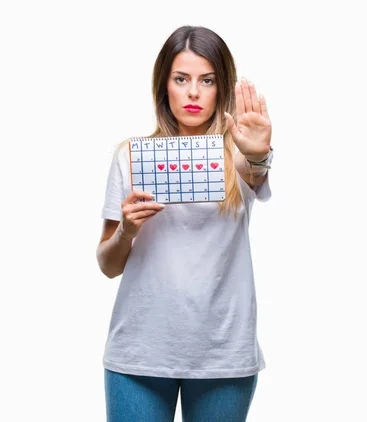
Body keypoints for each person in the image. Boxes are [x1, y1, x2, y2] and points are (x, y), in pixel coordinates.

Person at [96, 25, 273, 421]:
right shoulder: (130, 156)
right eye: (182, 79)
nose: (193, 92)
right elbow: (107, 265)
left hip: (222, 355)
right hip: (139, 354)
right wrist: (127, 229)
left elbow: (256, 171)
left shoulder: (240, 157)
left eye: (206, 80)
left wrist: (259, 154)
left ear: (220, 88)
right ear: (165, 86)